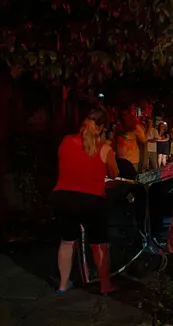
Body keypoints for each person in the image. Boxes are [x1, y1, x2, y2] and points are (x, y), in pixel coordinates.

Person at [51, 110, 120, 295]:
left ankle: (63, 285)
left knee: (67, 241)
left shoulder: (66, 141)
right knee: (99, 244)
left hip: (63, 198)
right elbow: (114, 173)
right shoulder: (105, 148)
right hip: (92, 201)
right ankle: (105, 285)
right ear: (102, 127)